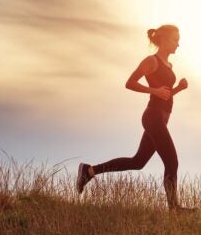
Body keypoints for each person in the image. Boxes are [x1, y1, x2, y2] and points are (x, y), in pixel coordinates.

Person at [75, 24, 194, 211]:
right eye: (175, 40)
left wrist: (178, 88)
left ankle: (89, 171)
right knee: (172, 161)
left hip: (161, 118)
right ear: (163, 40)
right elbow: (130, 83)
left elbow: (165, 95)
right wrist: (153, 89)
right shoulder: (151, 61)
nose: (178, 44)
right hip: (153, 116)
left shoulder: (169, 66)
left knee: (137, 162)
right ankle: (175, 209)